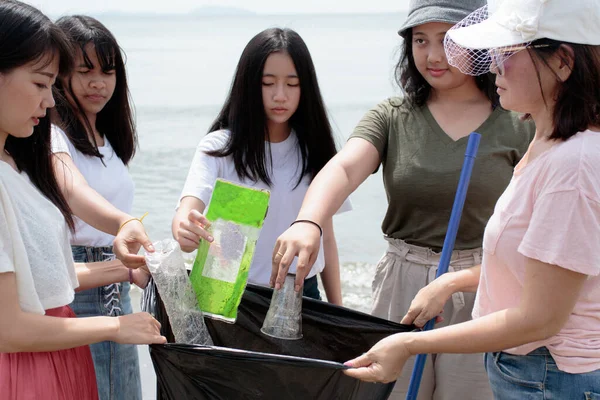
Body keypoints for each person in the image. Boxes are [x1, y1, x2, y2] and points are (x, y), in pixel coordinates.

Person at [270, 0, 534, 398]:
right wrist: (308, 221)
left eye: (448, 40)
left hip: (483, 284)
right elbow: (343, 169)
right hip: (403, 282)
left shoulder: (518, 120)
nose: (431, 55)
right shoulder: (393, 116)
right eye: (420, 40)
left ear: (480, 41)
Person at [343, 0, 600, 399]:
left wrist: (409, 344)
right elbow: (536, 267)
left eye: (507, 53)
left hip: (551, 376)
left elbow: (540, 318)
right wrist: (453, 280)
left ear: (563, 63)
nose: (493, 65)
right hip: (525, 370)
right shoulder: (546, 145)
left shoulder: (573, 166)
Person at [0, 1, 166, 399]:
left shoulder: (17, 164)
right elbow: (9, 329)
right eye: (41, 83)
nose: (50, 101)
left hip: (59, 346)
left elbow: (43, 278)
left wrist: (124, 266)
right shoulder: (35, 155)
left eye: (108, 72)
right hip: (33, 358)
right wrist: (116, 327)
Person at [173, 28, 351, 304]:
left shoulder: (315, 151)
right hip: (228, 292)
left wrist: (338, 310)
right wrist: (184, 227)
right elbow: (188, 209)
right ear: (249, 85)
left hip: (301, 292)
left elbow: (325, 236)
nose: (280, 95)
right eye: (268, 83)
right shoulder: (219, 148)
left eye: (292, 84)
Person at [50, 15, 143, 400]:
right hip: (77, 286)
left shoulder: (108, 141)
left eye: (107, 71)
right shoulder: (51, 133)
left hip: (118, 286)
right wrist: (124, 222)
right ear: (60, 74)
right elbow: (71, 188)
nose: (97, 83)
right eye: (84, 70)